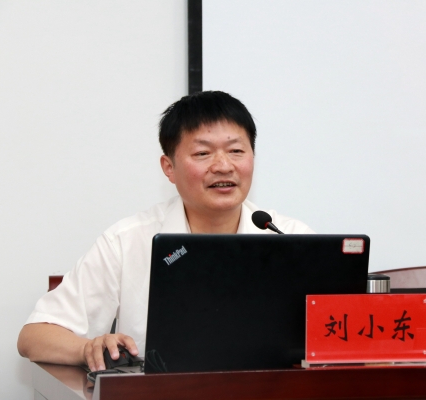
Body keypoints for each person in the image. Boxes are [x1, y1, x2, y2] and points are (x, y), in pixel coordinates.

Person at [17, 91, 314, 371]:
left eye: (236, 151)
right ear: (169, 167)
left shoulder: (292, 240)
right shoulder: (128, 241)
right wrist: (87, 348)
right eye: (203, 153)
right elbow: (34, 336)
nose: (223, 166)